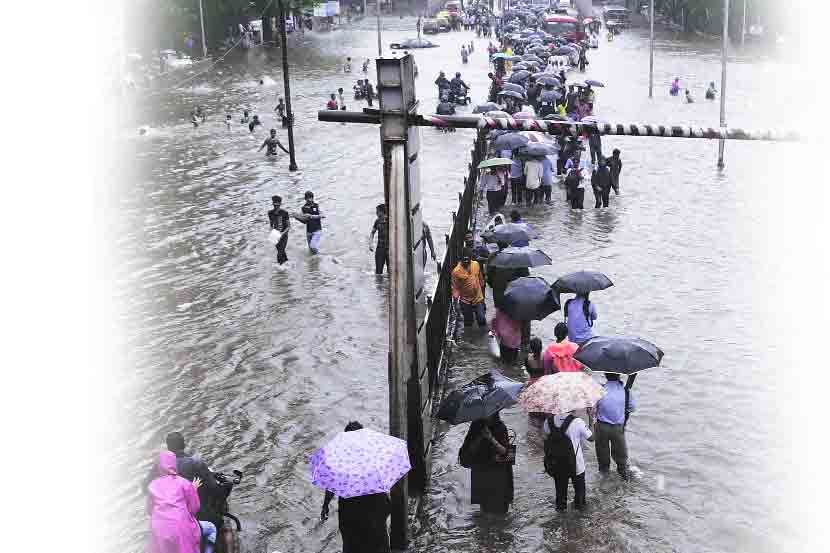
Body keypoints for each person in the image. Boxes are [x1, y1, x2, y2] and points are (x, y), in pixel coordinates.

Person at [320, 421, 391, 553]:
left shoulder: (339, 460)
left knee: (352, 544)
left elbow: (331, 485)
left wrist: (325, 505)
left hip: (351, 514)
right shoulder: (373, 455)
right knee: (379, 544)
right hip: (375, 511)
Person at [146, 451, 203, 553]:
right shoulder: (183, 483)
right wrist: (193, 490)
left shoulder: (152, 486)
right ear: (173, 464)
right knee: (210, 529)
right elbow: (194, 508)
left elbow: (149, 511)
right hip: (179, 528)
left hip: (159, 529)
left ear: (159, 466)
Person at [459, 412, 514, 514]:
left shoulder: (500, 427)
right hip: (482, 476)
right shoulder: (476, 426)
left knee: (501, 512)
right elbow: (466, 451)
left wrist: (491, 438)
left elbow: (506, 453)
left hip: (499, 477)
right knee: (486, 512)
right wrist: (479, 437)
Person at [543, 411, 593, 511]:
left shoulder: (548, 421)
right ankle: (580, 518)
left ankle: (560, 518)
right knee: (580, 495)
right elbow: (591, 438)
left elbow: (546, 437)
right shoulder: (578, 421)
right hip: (576, 465)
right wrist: (591, 420)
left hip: (557, 464)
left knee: (560, 496)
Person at [594, 373, 635, 479]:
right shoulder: (626, 391)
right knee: (621, 457)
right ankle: (624, 476)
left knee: (602, 456)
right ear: (619, 376)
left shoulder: (599, 389)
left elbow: (593, 409)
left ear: (605, 375)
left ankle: (604, 478)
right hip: (618, 428)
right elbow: (631, 408)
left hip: (602, 426)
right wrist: (624, 423)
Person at [451, 250, 486, 327]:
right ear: (461, 259)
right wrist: (456, 303)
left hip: (478, 298)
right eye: (464, 260)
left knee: (482, 319)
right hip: (465, 300)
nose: (466, 261)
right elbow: (455, 288)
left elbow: (480, 279)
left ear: (471, 258)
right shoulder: (456, 272)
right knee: (468, 322)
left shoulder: (476, 264)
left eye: (468, 259)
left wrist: (483, 296)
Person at [268, 195, 290, 264]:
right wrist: (271, 232)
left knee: (279, 254)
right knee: (281, 252)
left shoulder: (285, 212)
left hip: (284, 236)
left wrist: (282, 234)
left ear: (280, 204)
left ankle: (280, 271)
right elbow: (271, 225)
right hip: (275, 236)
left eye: (277, 205)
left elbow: (288, 226)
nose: (276, 207)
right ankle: (287, 264)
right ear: (273, 204)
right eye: (274, 205)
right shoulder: (270, 213)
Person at [369, 203, 389, 275]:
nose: (376, 213)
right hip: (380, 249)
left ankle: (387, 285)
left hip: (390, 249)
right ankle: (379, 285)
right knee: (378, 272)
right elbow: (372, 233)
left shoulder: (390, 221)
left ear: (382, 212)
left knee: (390, 272)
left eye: (377, 211)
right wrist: (370, 244)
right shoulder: (377, 221)